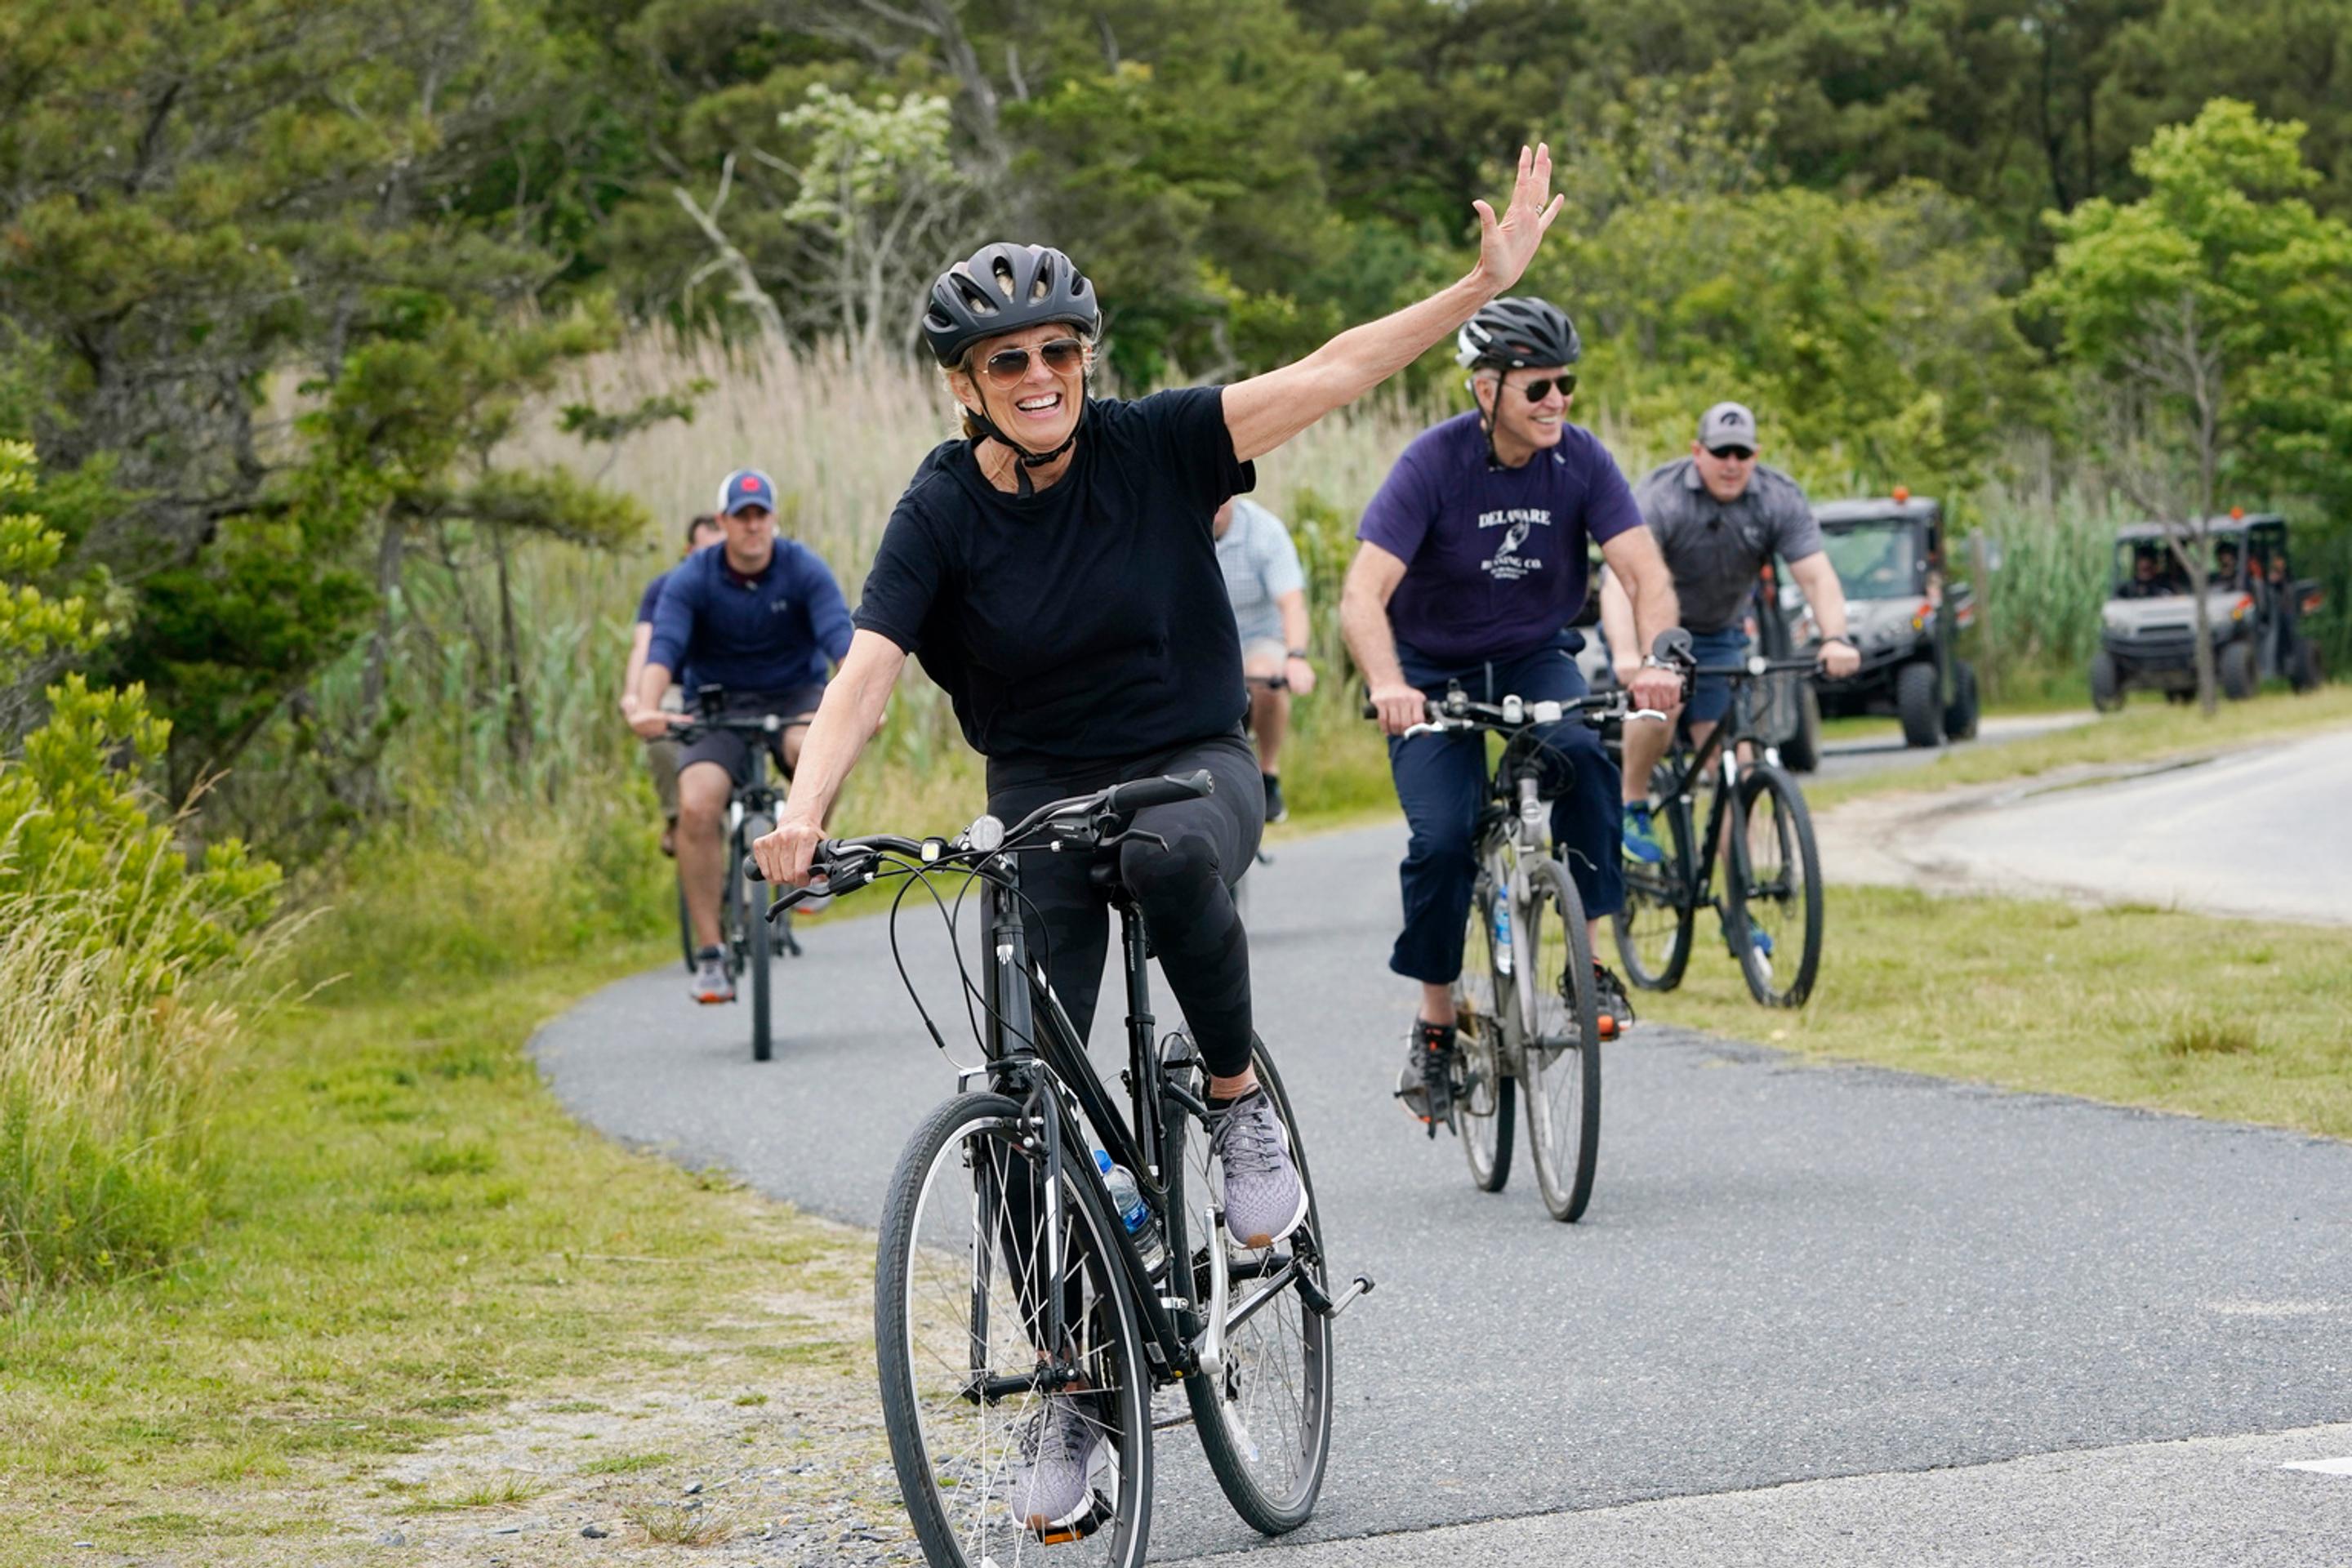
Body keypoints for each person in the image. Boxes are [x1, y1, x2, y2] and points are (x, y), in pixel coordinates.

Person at [751, 146, 1569, 1532]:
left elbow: (1331, 373)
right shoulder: (939, 510)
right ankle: (1076, 1386)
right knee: (1019, 1105)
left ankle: (1239, 1105)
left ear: (1083, 359)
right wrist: (803, 811)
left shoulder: (1155, 442)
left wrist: (1474, 294)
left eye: (1056, 352)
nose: (1037, 377)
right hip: (1040, 796)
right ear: (967, 386)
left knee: (1174, 856)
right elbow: (872, 666)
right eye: (1006, 363)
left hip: (1191, 761)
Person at [1339, 295, 1684, 1130]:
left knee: (1587, 753)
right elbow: (1361, 594)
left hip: (1536, 655)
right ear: (1485, 389)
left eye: (1565, 384)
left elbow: (1643, 574)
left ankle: (1588, 965)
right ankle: (1433, 1020)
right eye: (1538, 389)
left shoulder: (1582, 461)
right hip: (1431, 670)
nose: (1557, 402)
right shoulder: (1433, 464)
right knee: (1443, 838)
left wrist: (1662, 653)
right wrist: (1389, 683)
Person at [1606, 402, 1860, 871]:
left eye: (1742, 453)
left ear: (1756, 455)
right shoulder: (1663, 496)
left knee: (1736, 769)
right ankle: (1633, 802)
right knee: (1661, 706)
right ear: (1697, 451)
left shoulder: (1777, 498)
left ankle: (1741, 902)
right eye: (1721, 452)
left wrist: (1836, 637)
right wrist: (1629, 656)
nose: (1732, 464)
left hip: (1720, 632)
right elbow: (1622, 582)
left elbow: (1817, 578)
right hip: (1656, 629)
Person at [632, 470, 852, 1004]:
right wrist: (644, 703)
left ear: (773, 519)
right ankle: (710, 955)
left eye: (761, 515)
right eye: (742, 516)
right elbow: (664, 648)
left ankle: (807, 854)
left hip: (793, 696)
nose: (753, 527)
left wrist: (856, 703)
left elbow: (842, 640)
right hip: (718, 703)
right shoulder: (694, 577)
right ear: (724, 521)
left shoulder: (802, 568)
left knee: (814, 750)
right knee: (698, 806)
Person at [621, 513, 724, 857]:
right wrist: (634, 695)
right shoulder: (666, 587)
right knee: (660, 735)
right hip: (676, 687)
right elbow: (645, 645)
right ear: (688, 549)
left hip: (731, 687)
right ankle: (674, 815)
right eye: (703, 550)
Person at [1214, 496, 1316, 822]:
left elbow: (1292, 604)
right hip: (1207, 640)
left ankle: (1267, 773)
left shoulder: (1263, 531)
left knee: (1267, 678)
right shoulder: (1175, 526)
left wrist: (1296, 657)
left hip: (1258, 638)